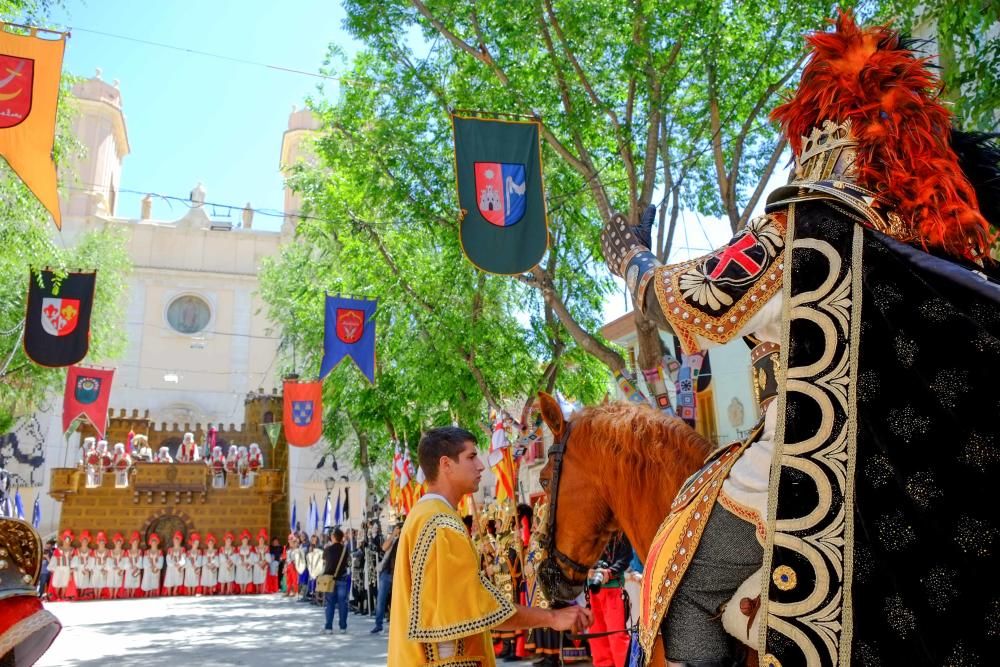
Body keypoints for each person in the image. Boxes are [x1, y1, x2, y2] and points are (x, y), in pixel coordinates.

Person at [600, 11, 1000, 666]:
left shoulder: (814, 224)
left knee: (686, 584)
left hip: (828, 475)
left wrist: (634, 262)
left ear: (816, 123)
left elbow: (698, 298)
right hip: (942, 514)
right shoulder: (946, 244)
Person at [388, 427, 592, 667]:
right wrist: (552, 617)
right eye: (471, 457)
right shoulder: (441, 524)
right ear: (446, 464)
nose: (481, 466)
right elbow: (481, 607)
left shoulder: (426, 515)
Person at [586, 534, 633, 667]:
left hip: (614, 589)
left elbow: (626, 557)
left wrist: (610, 572)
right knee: (596, 636)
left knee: (617, 636)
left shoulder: (620, 532)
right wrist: (587, 569)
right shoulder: (594, 529)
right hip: (593, 589)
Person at [371, 519, 401, 634]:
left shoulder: (407, 539)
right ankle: (378, 625)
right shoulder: (393, 540)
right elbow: (384, 547)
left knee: (397, 601)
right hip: (387, 572)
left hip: (398, 575)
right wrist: (393, 535)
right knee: (381, 599)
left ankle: (396, 624)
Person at [321, 528, 351, 634]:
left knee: (330, 604)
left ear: (333, 537)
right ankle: (343, 627)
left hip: (329, 579)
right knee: (343, 604)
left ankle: (328, 627)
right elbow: (348, 563)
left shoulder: (327, 549)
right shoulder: (345, 549)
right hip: (342, 578)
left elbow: (324, 562)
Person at [49, 530, 74, 600]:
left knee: (65, 583)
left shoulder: (72, 550)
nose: (67, 541)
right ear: (63, 540)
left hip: (67, 568)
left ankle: (62, 596)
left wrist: (72, 569)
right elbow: (54, 559)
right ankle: (57, 596)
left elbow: (73, 561)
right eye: (66, 539)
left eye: (69, 540)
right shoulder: (58, 550)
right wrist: (52, 569)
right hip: (59, 568)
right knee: (58, 582)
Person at [70, 530, 94, 600]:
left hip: (85, 568)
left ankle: (83, 594)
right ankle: (77, 594)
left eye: (86, 541)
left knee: (84, 581)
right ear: (81, 541)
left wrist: (88, 569)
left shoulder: (90, 550)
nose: (84, 542)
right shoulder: (77, 550)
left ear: (87, 542)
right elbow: (75, 559)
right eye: (83, 541)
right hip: (78, 568)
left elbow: (91, 560)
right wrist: (74, 567)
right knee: (77, 581)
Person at [90, 532, 114, 600]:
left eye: (103, 541)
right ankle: (95, 595)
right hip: (96, 568)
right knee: (95, 581)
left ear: (105, 542)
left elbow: (109, 560)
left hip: (103, 568)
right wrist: (91, 569)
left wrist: (106, 569)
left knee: (101, 582)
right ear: (98, 542)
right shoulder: (95, 551)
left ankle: (99, 595)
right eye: (100, 541)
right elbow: (92, 561)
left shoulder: (107, 551)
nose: (101, 542)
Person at [163, 531, 186, 596]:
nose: (176, 541)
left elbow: (183, 558)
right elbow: (168, 558)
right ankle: (169, 592)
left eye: (178, 539)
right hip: (171, 567)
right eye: (175, 539)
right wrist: (173, 564)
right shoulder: (170, 549)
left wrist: (179, 564)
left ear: (180, 540)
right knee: (170, 578)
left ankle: (175, 591)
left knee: (178, 578)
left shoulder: (182, 549)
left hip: (178, 567)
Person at [121, 532, 143, 598]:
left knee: (135, 581)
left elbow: (140, 560)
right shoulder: (128, 551)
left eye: (136, 542)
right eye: (134, 541)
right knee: (128, 581)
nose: (135, 543)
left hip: (136, 569)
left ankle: (133, 594)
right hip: (129, 568)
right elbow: (125, 560)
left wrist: (137, 567)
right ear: (131, 542)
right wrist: (129, 566)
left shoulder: (140, 551)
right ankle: (128, 594)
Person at [234, 530, 255, 594]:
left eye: (246, 540)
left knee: (246, 576)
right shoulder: (238, 548)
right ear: (242, 540)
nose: (245, 541)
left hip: (247, 564)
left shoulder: (250, 547)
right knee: (240, 576)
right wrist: (240, 562)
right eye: (244, 539)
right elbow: (236, 556)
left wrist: (248, 563)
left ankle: (245, 589)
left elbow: (252, 556)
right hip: (240, 564)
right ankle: (241, 590)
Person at [252, 529, 271, 594]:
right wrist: (258, 562)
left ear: (264, 540)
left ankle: (263, 589)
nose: (261, 541)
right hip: (257, 564)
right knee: (257, 576)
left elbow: (268, 556)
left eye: (262, 540)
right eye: (260, 540)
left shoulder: (266, 547)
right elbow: (254, 557)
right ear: (258, 540)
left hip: (264, 563)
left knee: (263, 576)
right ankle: (257, 590)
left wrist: (264, 562)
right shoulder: (256, 548)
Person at [305, 534, 323, 604]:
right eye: (312, 539)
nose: (312, 540)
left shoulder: (320, 546)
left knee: (315, 582)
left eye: (314, 539)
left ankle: (316, 598)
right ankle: (312, 597)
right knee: (311, 582)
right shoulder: (310, 547)